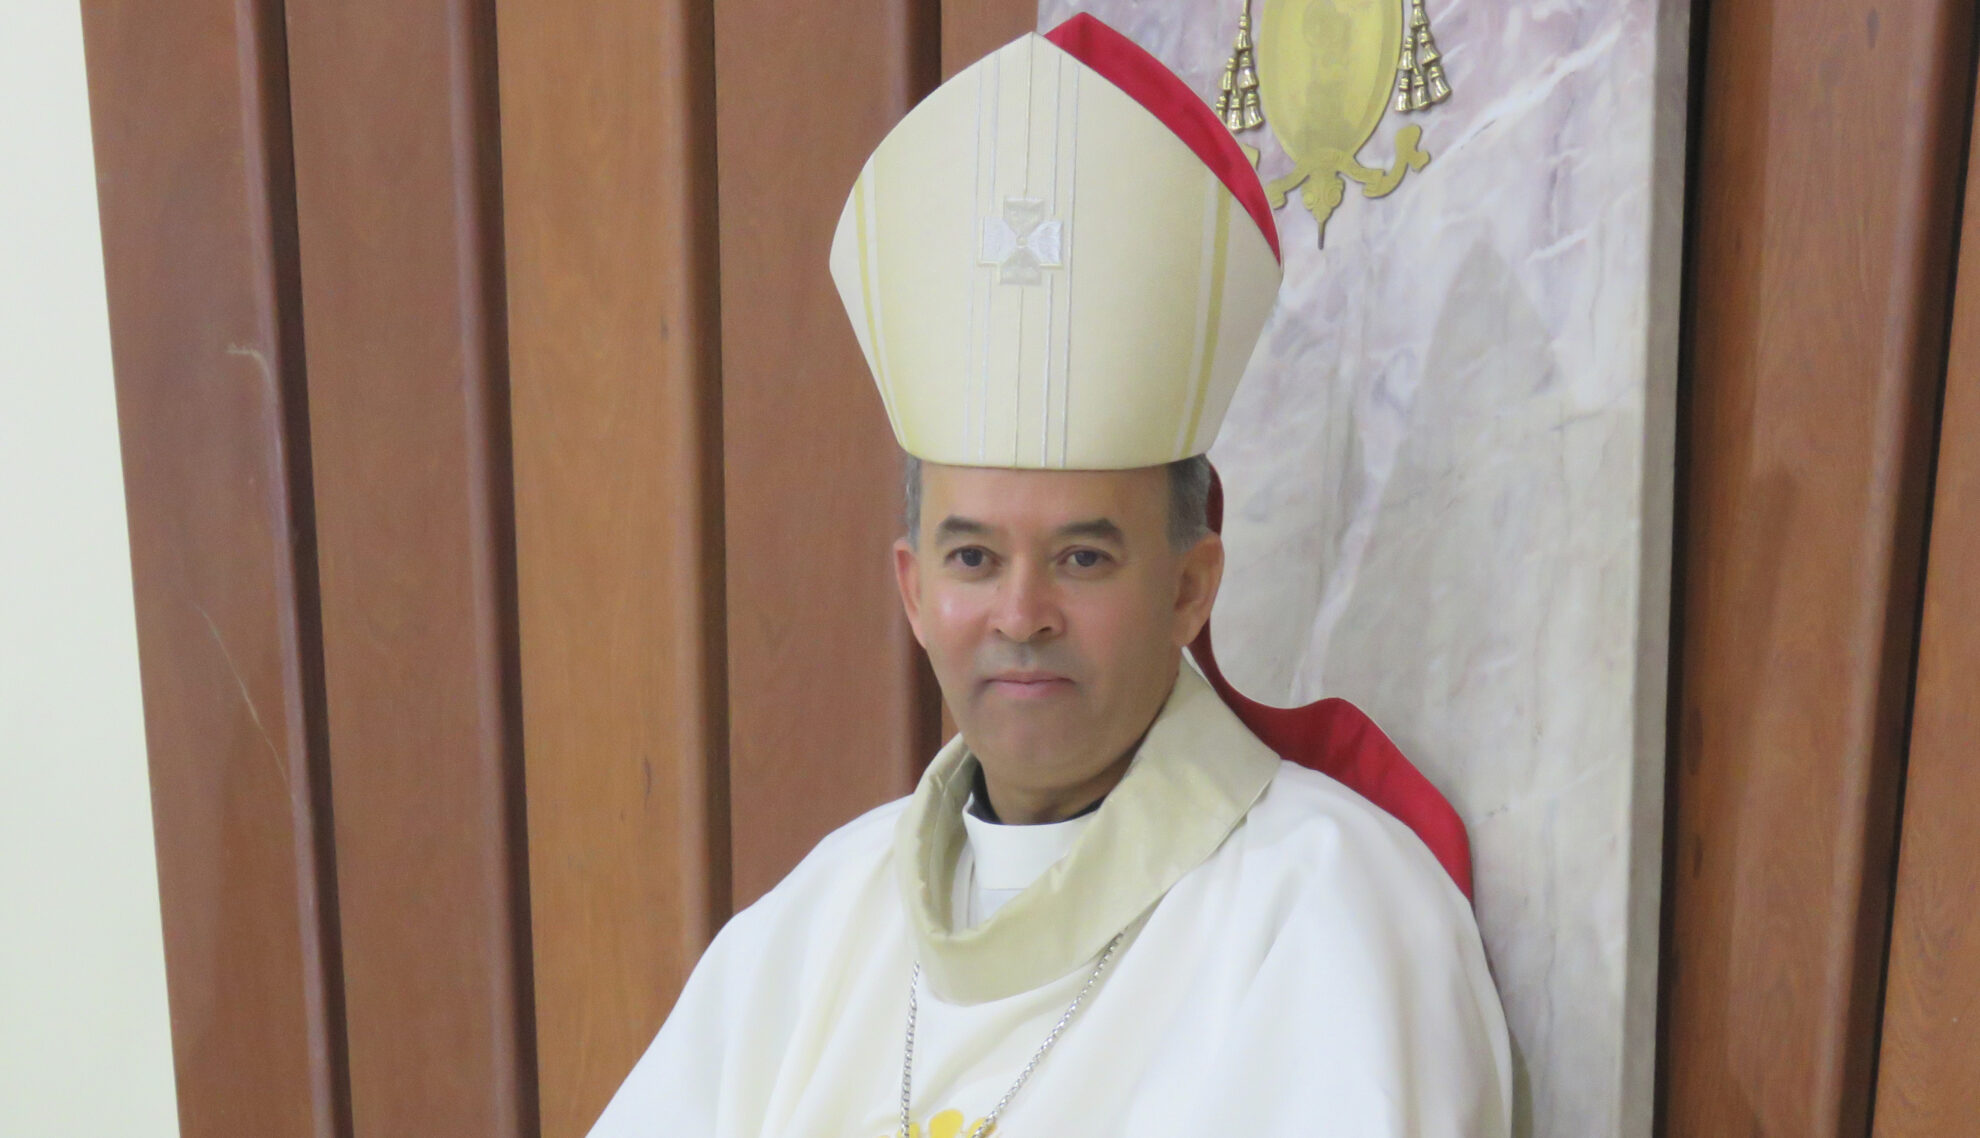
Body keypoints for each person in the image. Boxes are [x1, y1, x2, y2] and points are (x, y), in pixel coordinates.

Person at [589, 14, 1510, 1137]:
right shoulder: (816, 924)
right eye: (973, 557)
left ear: (1190, 586)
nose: (1020, 615)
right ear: (913, 590)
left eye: (1082, 556)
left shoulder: (1331, 914)